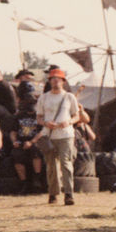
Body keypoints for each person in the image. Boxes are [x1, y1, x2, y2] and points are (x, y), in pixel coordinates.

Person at [35, 67, 79, 204]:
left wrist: (69, 122)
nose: (55, 81)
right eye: (52, 79)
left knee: (66, 164)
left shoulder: (69, 97)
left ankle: (69, 194)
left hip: (66, 135)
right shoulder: (44, 97)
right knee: (51, 166)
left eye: (57, 79)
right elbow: (39, 118)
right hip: (49, 135)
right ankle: (53, 193)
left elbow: (76, 116)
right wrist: (46, 123)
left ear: (63, 81)